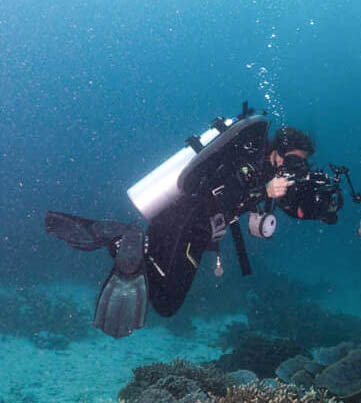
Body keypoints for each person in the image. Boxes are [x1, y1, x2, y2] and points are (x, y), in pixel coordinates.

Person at [46, 125, 332, 338]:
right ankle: (123, 237)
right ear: (278, 153)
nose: (297, 166)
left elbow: (288, 208)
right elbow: (221, 197)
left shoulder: (264, 169)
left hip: (176, 219)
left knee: (160, 290)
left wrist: (324, 207)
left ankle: (121, 240)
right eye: (295, 159)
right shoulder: (250, 163)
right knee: (166, 303)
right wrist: (264, 190)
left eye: (302, 162)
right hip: (190, 227)